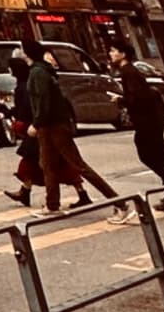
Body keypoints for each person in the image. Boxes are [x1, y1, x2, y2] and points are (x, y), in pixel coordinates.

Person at [23, 38, 124, 218]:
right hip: (50, 126)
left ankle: (119, 202)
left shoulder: (38, 73)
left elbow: (43, 102)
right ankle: (52, 205)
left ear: (26, 52)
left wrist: (36, 123)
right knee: (48, 165)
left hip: (52, 125)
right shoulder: (42, 70)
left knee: (78, 165)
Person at [114, 52, 164, 213]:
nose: (110, 54)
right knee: (161, 159)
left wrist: (120, 100)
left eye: (112, 50)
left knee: (147, 155)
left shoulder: (127, 72)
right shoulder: (133, 71)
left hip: (146, 122)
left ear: (123, 54)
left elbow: (137, 98)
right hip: (154, 120)